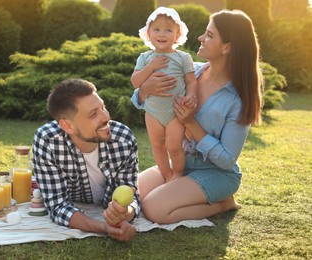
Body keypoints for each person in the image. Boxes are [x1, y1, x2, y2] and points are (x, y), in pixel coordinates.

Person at [131, 9, 262, 224]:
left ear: (227, 47)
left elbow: (227, 160)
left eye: (209, 35)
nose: (201, 38)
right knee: (133, 191)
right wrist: (145, 90)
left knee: (154, 209)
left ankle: (223, 203)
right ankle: (179, 187)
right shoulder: (192, 72)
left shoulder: (237, 100)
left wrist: (191, 123)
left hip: (215, 173)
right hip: (180, 163)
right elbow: (141, 98)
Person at [32, 79, 140, 241]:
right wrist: (104, 228)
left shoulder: (123, 138)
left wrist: (126, 214)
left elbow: (132, 195)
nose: (106, 117)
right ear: (68, 126)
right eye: (93, 114)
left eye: (103, 107)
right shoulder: (48, 141)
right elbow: (58, 206)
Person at [131, 7, 197, 182]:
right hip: (153, 112)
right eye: (157, 29)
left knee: (174, 146)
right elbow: (135, 82)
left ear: (177, 35)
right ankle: (167, 176)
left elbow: (191, 81)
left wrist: (191, 95)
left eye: (168, 30)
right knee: (158, 146)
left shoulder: (183, 58)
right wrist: (150, 67)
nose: (162, 34)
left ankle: (178, 174)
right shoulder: (145, 58)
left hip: (175, 111)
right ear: (149, 34)